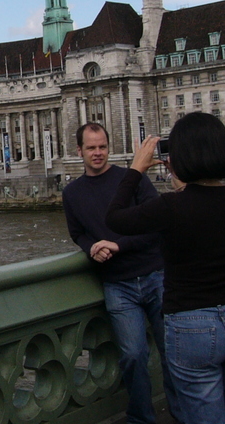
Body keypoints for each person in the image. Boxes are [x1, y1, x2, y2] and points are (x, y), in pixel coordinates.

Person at [106, 113, 225, 424]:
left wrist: (136, 168)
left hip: (192, 325)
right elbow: (206, 205)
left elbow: (115, 217)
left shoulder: (171, 207)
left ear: (179, 156)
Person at [63, 122, 182, 424]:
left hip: (155, 274)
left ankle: (183, 413)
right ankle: (142, 418)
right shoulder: (72, 193)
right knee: (132, 356)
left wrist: (117, 245)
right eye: (91, 148)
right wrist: (91, 248)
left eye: (102, 146)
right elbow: (78, 233)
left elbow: (157, 224)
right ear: (79, 151)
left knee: (173, 352)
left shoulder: (132, 179)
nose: (98, 153)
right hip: (118, 284)